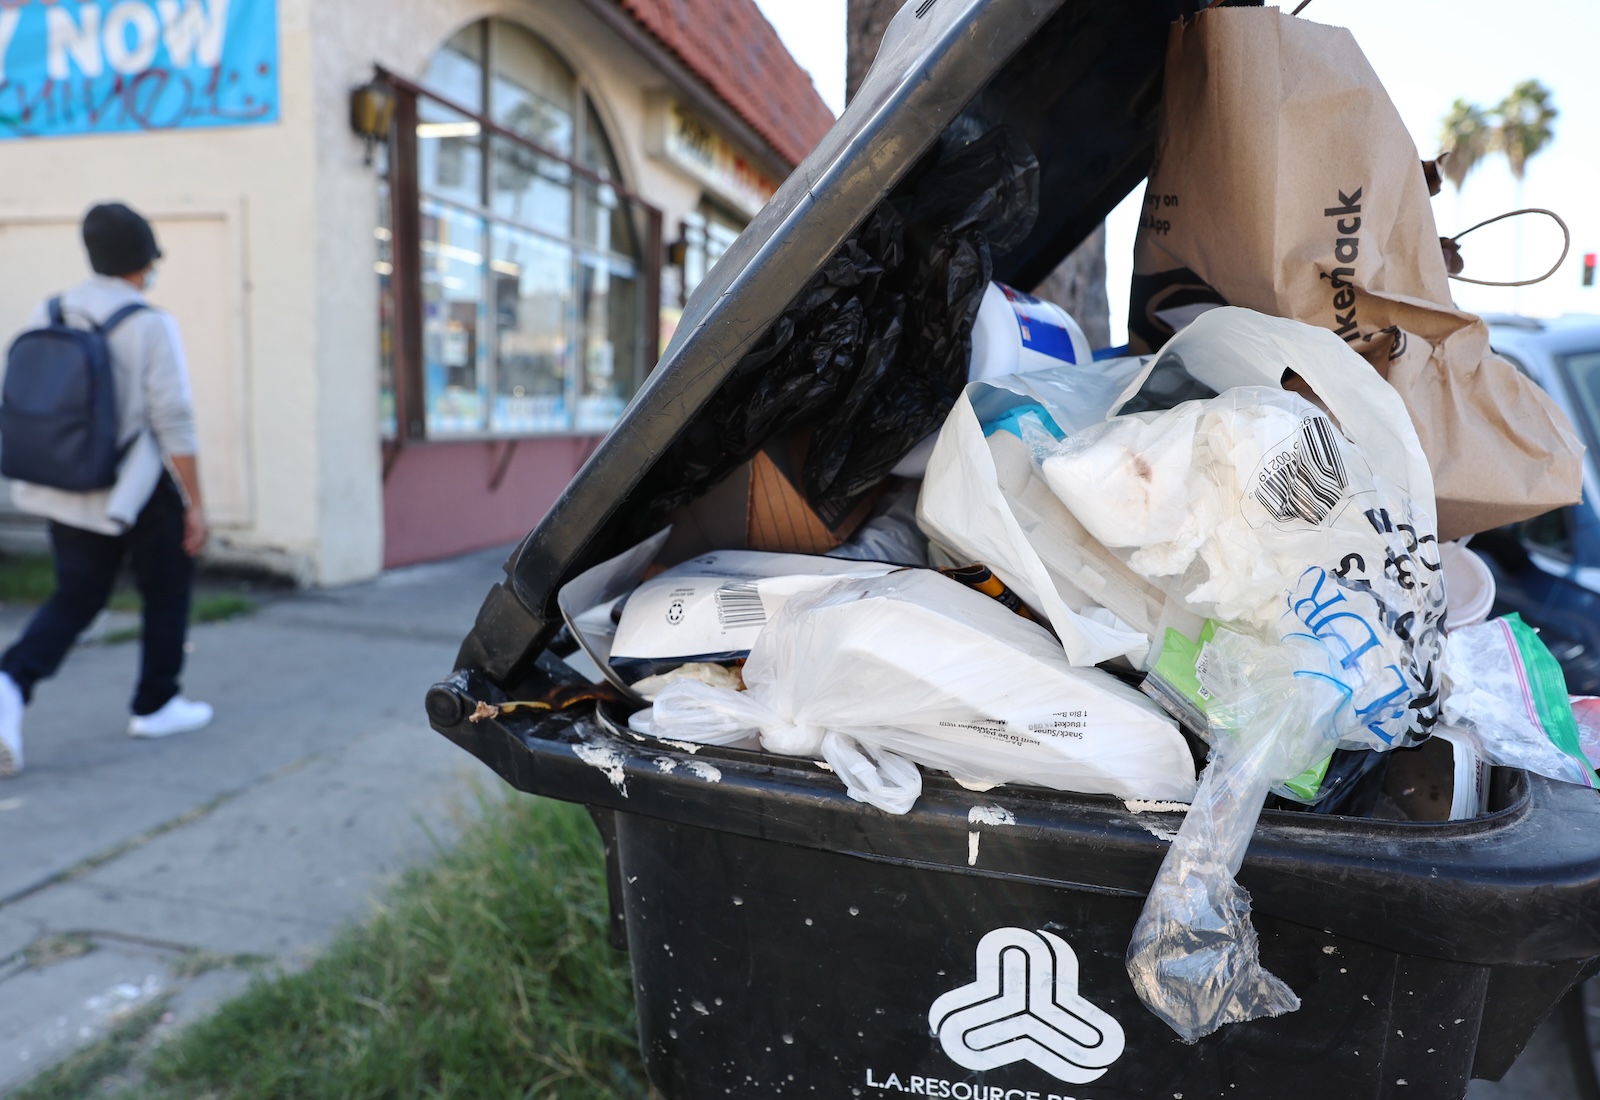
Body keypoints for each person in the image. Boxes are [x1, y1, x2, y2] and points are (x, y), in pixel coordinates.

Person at [0, 202, 213, 777]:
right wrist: (195, 504)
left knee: (78, 596)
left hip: (64, 485)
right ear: (143, 260)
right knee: (167, 588)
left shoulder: (46, 311)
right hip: (132, 486)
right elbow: (175, 422)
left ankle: (10, 682)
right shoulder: (148, 323)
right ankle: (156, 704)